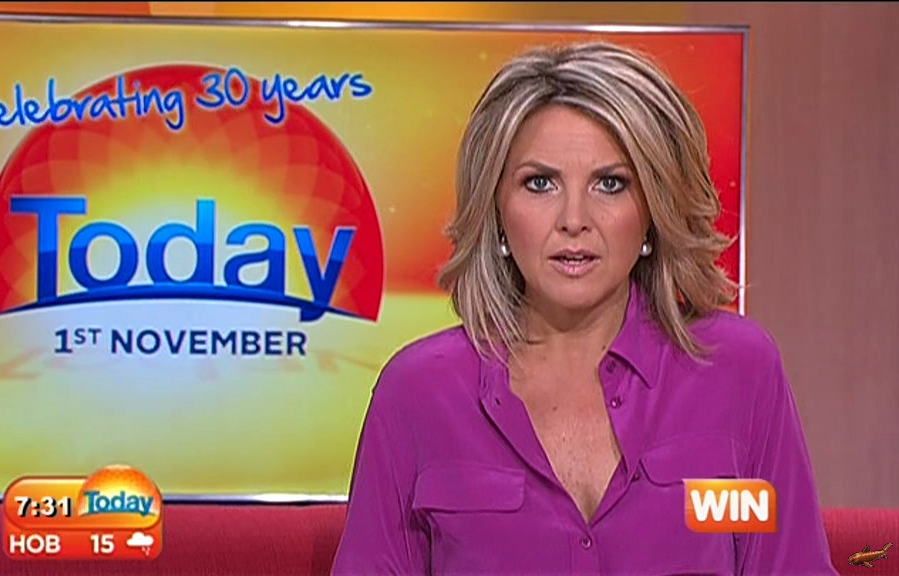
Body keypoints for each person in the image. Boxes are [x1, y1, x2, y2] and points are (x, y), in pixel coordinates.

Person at [331, 41, 836, 575]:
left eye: (610, 184)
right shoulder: (418, 394)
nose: (574, 219)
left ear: (654, 208)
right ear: (496, 209)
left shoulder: (735, 371)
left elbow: (783, 562)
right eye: (540, 183)